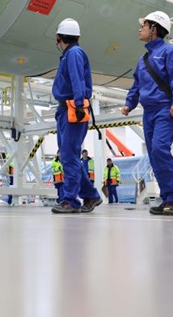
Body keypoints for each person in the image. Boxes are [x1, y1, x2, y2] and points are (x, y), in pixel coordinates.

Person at [121, 11, 173, 216]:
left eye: (144, 25)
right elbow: (136, 85)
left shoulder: (169, 51)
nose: (140, 29)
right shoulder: (144, 59)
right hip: (148, 113)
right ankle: (167, 197)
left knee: (160, 150)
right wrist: (129, 104)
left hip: (165, 110)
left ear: (154, 29)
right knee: (154, 155)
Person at [50, 18, 103, 214]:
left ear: (58, 37)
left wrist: (80, 104)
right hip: (66, 108)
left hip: (73, 108)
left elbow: (77, 79)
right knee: (67, 155)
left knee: (70, 155)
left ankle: (70, 200)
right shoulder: (70, 54)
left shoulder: (73, 54)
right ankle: (90, 195)